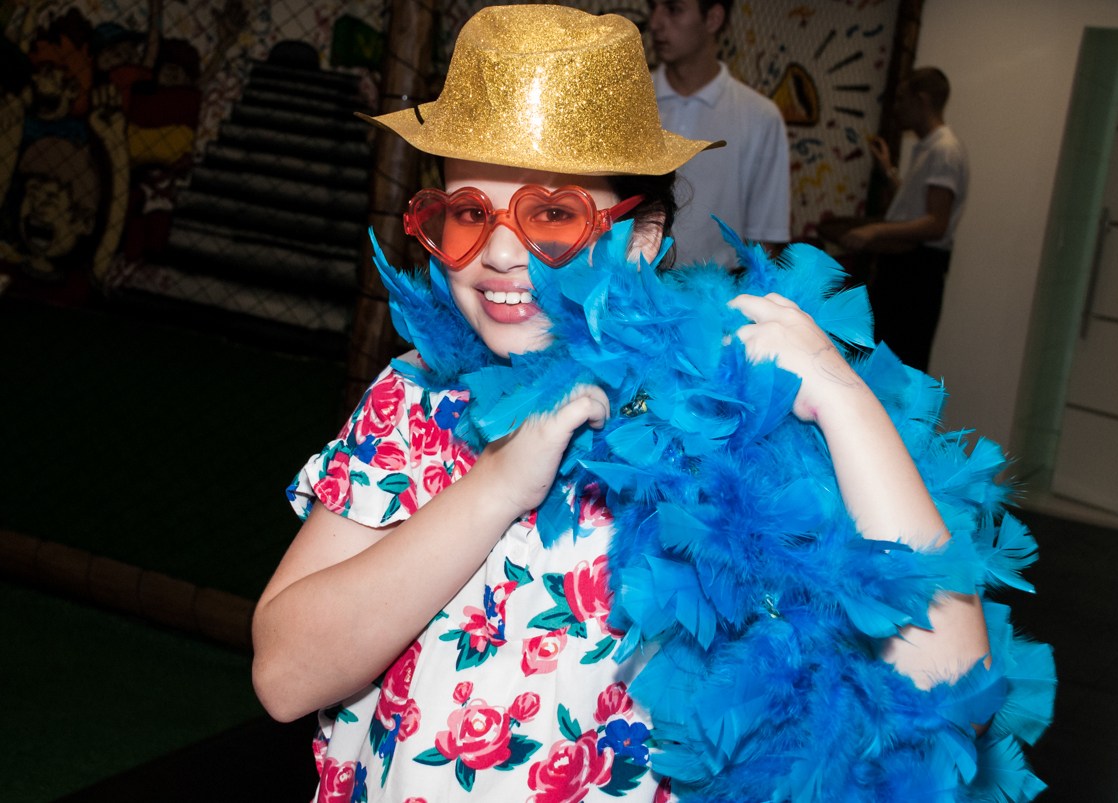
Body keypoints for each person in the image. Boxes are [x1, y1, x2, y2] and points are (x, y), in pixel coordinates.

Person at [252, 8, 1046, 802]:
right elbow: (286, 676)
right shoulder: (413, 402)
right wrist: (496, 488)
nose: (497, 253)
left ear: (641, 236)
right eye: (468, 212)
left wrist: (841, 402)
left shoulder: (724, 416)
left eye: (552, 215)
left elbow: (950, 691)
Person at [841, 67, 969, 373]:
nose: (896, 108)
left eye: (901, 99)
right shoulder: (928, 147)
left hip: (916, 273)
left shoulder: (944, 149)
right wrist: (888, 172)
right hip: (905, 270)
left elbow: (936, 223)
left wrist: (875, 231)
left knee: (898, 368)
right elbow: (917, 207)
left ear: (921, 100)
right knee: (876, 359)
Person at [647, 0, 790, 268]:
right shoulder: (629, 103)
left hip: (721, 297)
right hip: (632, 291)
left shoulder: (760, 116)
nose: (654, 23)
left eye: (673, 9)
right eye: (652, 7)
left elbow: (765, 240)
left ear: (713, 18)